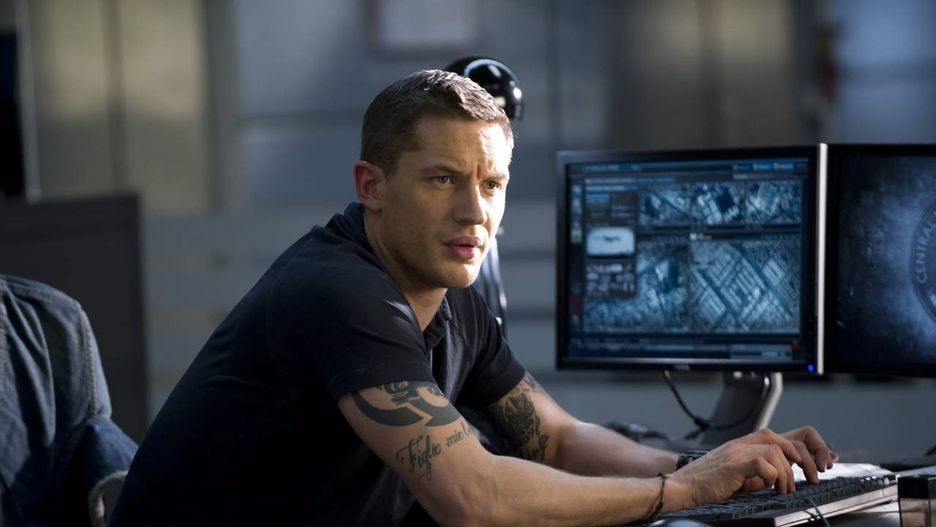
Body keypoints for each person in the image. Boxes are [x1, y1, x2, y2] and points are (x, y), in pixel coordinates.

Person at [110, 70, 838, 526]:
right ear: (372, 186)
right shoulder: (339, 293)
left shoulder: (447, 289)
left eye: (491, 184)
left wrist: (707, 466)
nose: (475, 213)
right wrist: (682, 493)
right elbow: (475, 499)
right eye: (442, 179)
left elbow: (556, 439)